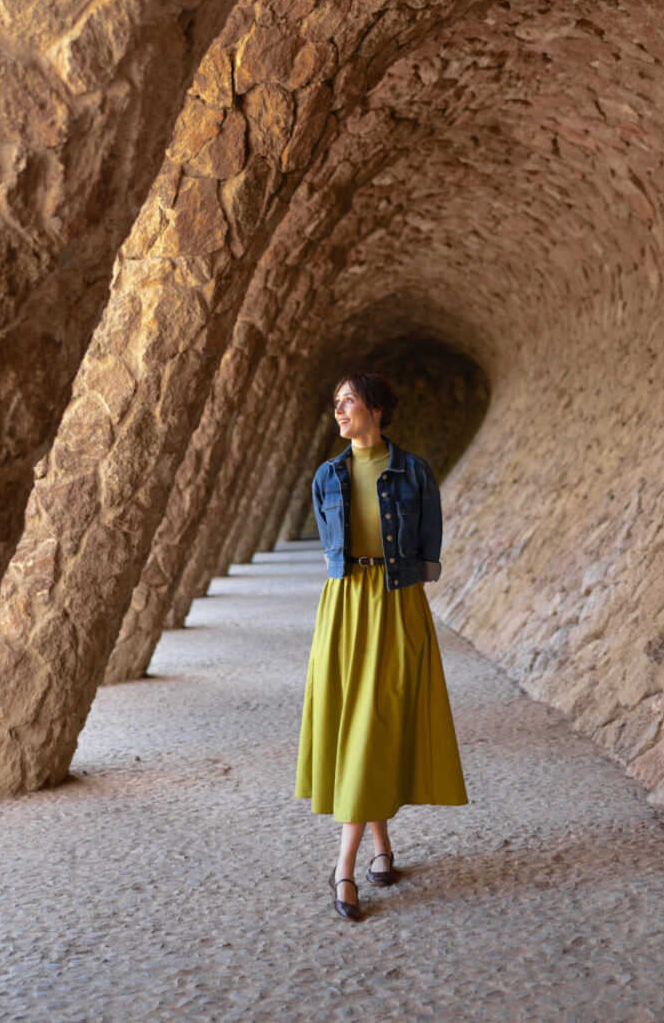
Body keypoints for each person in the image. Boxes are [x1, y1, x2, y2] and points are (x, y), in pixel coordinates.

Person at [294, 371, 468, 920]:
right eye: (336, 402)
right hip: (345, 606)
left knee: (376, 721)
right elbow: (331, 549)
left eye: (349, 401)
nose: (340, 411)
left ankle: (344, 867)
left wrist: (406, 594)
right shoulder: (327, 475)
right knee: (358, 723)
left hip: (397, 603)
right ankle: (375, 850)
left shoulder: (415, 472)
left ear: (376, 408)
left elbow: (427, 549)